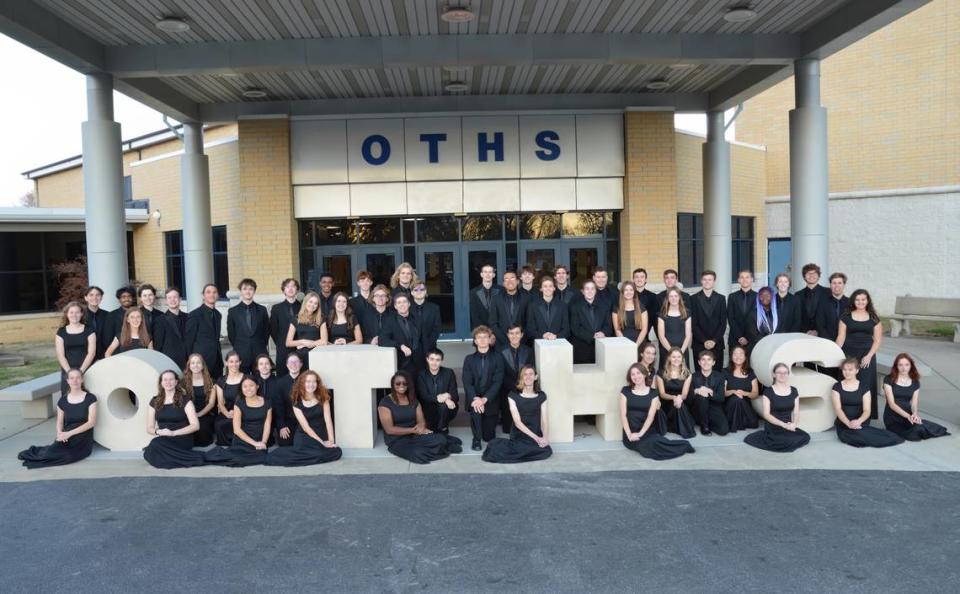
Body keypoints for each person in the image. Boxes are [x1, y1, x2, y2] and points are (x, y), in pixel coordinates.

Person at [18, 369, 97, 468]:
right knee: (49, 454)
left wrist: (69, 433)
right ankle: (38, 451)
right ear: (67, 381)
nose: (75, 381)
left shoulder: (90, 398)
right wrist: (60, 433)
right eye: (72, 378)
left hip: (83, 437)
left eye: (78, 378)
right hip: (66, 436)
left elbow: (91, 423)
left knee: (69, 457)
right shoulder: (62, 401)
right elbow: (59, 422)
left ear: (82, 380)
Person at [378, 371, 459, 464]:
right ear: (393, 385)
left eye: (405, 383)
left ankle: (440, 445)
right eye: (398, 383)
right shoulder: (385, 402)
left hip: (415, 435)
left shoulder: (413, 400)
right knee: (418, 453)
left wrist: (421, 427)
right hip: (396, 440)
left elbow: (421, 421)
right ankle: (441, 449)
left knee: (441, 440)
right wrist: (413, 430)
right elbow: (389, 430)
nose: (402, 386)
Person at [266, 371, 342, 466]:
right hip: (305, 435)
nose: (311, 384)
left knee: (337, 452)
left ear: (317, 383)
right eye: (308, 381)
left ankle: (305, 458)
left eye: (314, 381)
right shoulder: (296, 402)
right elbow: (306, 428)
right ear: (302, 383)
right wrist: (322, 443)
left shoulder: (323, 398)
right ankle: (278, 455)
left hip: (321, 432)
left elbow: (328, 420)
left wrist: (331, 441)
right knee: (320, 453)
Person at [620, 364, 694, 460]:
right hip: (630, 432)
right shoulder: (625, 391)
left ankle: (683, 446)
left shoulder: (653, 393)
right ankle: (681, 447)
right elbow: (623, 415)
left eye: (638, 373)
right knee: (645, 449)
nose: (636, 376)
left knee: (656, 443)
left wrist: (640, 434)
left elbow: (651, 417)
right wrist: (629, 434)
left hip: (647, 430)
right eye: (632, 374)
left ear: (644, 375)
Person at [483, 365, 552, 463]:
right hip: (520, 433)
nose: (528, 377)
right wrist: (537, 439)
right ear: (521, 378)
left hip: (535, 431)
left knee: (546, 451)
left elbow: (545, 420)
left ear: (535, 377)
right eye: (525, 374)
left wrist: (544, 437)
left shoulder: (541, 396)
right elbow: (517, 422)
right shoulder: (513, 395)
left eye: (531, 374)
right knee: (527, 450)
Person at [832, 358, 903, 448]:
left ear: (857, 370)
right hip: (844, 423)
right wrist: (848, 423)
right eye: (844, 370)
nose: (847, 372)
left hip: (861, 421)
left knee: (860, 434)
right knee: (846, 436)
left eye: (850, 370)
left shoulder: (864, 387)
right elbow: (838, 409)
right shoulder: (837, 387)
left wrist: (858, 421)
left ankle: (886, 437)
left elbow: (867, 410)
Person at [142, 370, 206, 469]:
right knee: (152, 449)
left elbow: (195, 426)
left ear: (176, 382)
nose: (168, 382)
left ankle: (169, 459)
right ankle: (173, 458)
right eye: (165, 380)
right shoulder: (154, 401)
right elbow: (149, 428)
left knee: (154, 446)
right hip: (164, 437)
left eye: (171, 379)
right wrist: (159, 431)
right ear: (161, 383)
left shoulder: (185, 400)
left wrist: (173, 433)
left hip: (182, 437)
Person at [204, 375, 273, 467]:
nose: (248, 389)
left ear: (257, 386)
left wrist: (263, 442)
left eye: (251, 385)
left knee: (262, 457)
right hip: (243, 440)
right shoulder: (239, 403)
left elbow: (267, 424)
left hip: (259, 438)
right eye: (245, 386)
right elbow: (236, 429)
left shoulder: (267, 402)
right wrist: (255, 443)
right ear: (242, 389)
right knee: (238, 460)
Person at [836, 289, 882, 418]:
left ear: (867, 301)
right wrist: (837, 355)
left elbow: (878, 340)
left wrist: (869, 356)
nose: (860, 302)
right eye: (857, 299)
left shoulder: (874, 318)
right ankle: (845, 415)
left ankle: (866, 416)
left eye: (863, 299)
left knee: (866, 384)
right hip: (848, 354)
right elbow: (841, 337)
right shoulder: (845, 317)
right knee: (847, 383)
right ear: (853, 301)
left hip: (867, 355)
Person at [883, 353, 950, 441]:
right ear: (896, 366)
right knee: (913, 435)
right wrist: (908, 416)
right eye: (900, 365)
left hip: (908, 413)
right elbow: (892, 404)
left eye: (907, 365)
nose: (904, 368)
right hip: (892, 417)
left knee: (919, 428)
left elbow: (914, 404)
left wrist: (914, 414)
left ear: (911, 366)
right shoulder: (889, 379)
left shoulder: (915, 382)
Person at [744, 363, 810, 452]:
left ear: (788, 374)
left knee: (805, 437)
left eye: (785, 373)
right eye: (779, 372)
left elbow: (796, 412)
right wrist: (783, 425)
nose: (782, 375)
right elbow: (766, 414)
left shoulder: (794, 390)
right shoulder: (768, 391)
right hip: (774, 427)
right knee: (785, 442)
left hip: (788, 425)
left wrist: (794, 424)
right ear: (774, 374)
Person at [463, 325, 505, 450]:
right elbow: (467, 382)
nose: (482, 340)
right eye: (479, 337)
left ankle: (482, 432)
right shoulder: (469, 359)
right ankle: (476, 439)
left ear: (490, 339)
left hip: (490, 401)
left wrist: (484, 399)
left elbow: (498, 382)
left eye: (485, 337)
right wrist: (476, 399)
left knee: (488, 437)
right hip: (475, 399)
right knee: (476, 409)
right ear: (475, 341)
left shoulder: (498, 357)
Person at [226, 278, 270, 373]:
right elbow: (231, 334)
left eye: (250, 289)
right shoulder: (233, 311)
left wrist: (260, 345)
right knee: (242, 383)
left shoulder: (262, 310)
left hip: (259, 352)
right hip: (241, 353)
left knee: (260, 382)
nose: (248, 291)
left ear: (254, 291)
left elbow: (266, 331)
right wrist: (240, 346)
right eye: (245, 289)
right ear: (240, 291)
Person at [55, 301, 96, 396]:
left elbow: (91, 353)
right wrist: (70, 374)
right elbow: (60, 355)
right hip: (67, 370)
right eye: (71, 312)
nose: (74, 315)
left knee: (87, 397)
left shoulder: (89, 330)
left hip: (86, 369)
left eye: (77, 312)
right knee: (68, 398)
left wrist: (81, 372)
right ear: (67, 314)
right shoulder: (61, 332)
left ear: (82, 314)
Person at [415, 349, 460, 434]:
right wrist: (445, 397)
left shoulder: (449, 373)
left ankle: (443, 428)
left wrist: (448, 396)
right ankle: (436, 427)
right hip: (428, 409)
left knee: (443, 407)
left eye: (437, 360)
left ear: (441, 361)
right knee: (431, 432)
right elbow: (423, 395)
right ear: (427, 359)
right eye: (431, 359)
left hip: (445, 409)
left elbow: (455, 395)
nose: (434, 363)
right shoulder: (421, 374)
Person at [498, 324, 533, 434]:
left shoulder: (529, 351)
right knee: (508, 430)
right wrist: (513, 386)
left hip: (524, 388)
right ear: (507, 335)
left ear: (522, 335)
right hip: (506, 390)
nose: (514, 336)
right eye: (511, 333)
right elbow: (500, 373)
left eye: (517, 333)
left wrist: (522, 385)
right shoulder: (500, 351)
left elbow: (530, 371)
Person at [656, 347, 696, 438]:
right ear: (669, 358)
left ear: (682, 358)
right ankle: (680, 428)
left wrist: (679, 398)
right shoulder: (661, 373)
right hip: (666, 401)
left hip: (681, 401)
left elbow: (685, 394)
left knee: (679, 405)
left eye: (679, 357)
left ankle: (677, 427)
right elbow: (662, 394)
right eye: (673, 357)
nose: (676, 359)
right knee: (678, 405)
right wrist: (674, 397)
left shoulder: (687, 374)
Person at [186, 283, 224, 378]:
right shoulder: (194, 315)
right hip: (201, 361)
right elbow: (189, 341)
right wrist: (192, 360)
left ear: (218, 295)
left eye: (214, 292)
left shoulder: (218, 315)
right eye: (208, 292)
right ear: (203, 295)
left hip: (217, 360)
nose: (212, 295)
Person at [569, 280, 613, 364]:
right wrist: (592, 336)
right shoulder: (575, 307)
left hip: (601, 347)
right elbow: (575, 328)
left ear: (596, 291)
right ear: (582, 291)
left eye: (592, 289)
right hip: (581, 349)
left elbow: (608, 326)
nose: (590, 291)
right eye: (587, 289)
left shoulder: (604, 306)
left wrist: (603, 333)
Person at [690, 269, 727, 365]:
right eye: (705, 279)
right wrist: (704, 341)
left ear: (714, 281)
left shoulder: (721, 299)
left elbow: (723, 323)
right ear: (701, 281)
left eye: (710, 279)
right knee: (699, 375)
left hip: (717, 343)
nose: (707, 282)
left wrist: (714, 341)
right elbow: (693, 323)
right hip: (699, 343)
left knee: (717, 373)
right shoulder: (693, 299)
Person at [690, 350, 730, 436]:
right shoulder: (693, 376)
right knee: (702, 396)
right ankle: (704, 426)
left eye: (709, 359)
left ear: (713, 362)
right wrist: (696, 391)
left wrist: (710, 391)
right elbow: (689, 398)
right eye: (703, 359)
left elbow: (721, 398)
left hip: (713, 407)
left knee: (724, 430)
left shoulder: (720, 377)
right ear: (699, 362)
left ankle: (705, 422)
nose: (706, 362)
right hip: (698, 408)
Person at [381, 293, 422, 374]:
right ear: (395, 306)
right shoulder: (390, 321)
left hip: (419, 362)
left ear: (409, 304)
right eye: (399, 303)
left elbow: (423, 339)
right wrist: (400, 346)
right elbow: (382, 339)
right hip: (402, 363)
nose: (402, 305)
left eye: (404, 302)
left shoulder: (417, 319)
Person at [181, 354, 217, 447]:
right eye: (192, 363)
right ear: (189, 365)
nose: (195, 365)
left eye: (198, 363)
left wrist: (198, 414)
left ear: (202, 365)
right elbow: (183, 401)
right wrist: (192, 415)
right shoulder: (184, 382)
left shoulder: (210, 381)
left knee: (203, 430)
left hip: (205, 413)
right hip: (189, 413)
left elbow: (211, 404)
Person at [723, 345, 760, 432]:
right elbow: (723, 393)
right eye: (735, 354)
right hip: (729, 406)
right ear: (731, 357)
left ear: (745, 357)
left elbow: (755, 394)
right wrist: (733, 391)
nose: (738, 356)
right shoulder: (725, 372)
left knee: (754, 423)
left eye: (741, 354)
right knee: (736, 399)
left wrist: (745, 393)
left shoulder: (751, 373)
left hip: (745, 406)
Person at [269, 353, 303, 447]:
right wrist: (282, 426)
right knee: (285, 443)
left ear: (301, 364)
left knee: (303, 443)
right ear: (287, 365)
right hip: (289, 420)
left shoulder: (306, 380)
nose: (294, 365)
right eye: (291, 362)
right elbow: (279, 407)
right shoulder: (280, 383)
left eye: (296, 362)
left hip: (304, 419)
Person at [269, 278, 301, 377]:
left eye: (293, 286)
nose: (290, 289)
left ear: (297, 289)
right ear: (283, 290)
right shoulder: (276, 308)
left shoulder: (303, 307)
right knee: (282, 375)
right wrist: (280, 343)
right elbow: (273, 329)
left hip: (300, 347)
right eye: (287, 287)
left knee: (300, 376)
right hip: (283, 348)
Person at [489, 270, 529, 347]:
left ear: (518, 281)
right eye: (506, 279)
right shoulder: (496, 299)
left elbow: (529, 322)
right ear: (503, 283)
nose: (509, 281)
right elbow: (493, 323)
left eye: (512, 278)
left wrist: (520, 339)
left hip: (522, 343)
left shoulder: (526, 298)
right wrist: (506, 340)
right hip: (502, 343)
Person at [153, 287, 189, 370]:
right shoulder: (160, 320)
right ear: (166, 301)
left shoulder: (188, 317)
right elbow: (158, 345)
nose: (173, 300)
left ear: (180, 299)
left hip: (188, 362)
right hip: (170, 362)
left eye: (175, 297)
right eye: (169, 297)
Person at [286, 290, 324, 366]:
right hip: (301, 356)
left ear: (318, 306)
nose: (312, 305)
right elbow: (288, 343)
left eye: (315, 303)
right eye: (310, 302)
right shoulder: (296, 319)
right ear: (305, 302)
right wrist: (303, 341)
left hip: (317, 355)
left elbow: (324, 341)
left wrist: (311, 344)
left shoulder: (321, 318)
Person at [213, 351, 244, 445]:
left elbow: (249, 399)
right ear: (226, 363)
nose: (234, 364)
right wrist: (227, 414)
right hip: (227, 411)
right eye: (231, 361)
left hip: (244, 411)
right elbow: (221, 403)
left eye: (236, 361)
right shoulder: (221, 380)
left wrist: (237, 412)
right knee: (219, 424)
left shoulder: (246, 378)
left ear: (240, 362)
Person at [657, 287, 692, 369]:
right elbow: (661, 336)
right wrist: (671, 352)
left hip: (682, 350)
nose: (673, 298)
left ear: (679, 297)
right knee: (666, 376)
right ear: (667, 298)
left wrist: (680, 352)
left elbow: (688, 335)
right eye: (671, 296)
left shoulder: (687, 313)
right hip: (666, 350)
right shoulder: (662, 314)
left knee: (683, 375)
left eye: (676, 296)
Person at [525, 275, 569, 340]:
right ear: (541, 289)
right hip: (539, 343)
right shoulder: (533, 306)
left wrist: (556, 336)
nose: (548, 288)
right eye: (545, 286)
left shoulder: (562, 306)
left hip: (558, 343)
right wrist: (542, 335)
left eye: (550, 286)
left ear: (554, 288)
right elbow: (530, 329)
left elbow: (566, 329)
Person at [612, 281, 649, 353]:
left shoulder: (642, 308)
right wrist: (626, 345)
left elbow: (644, 330)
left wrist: (636, 345)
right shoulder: (616, 309)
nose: (629, 292)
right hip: (622, 344)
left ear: (634, 292)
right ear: (622, 292)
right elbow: (617, 330)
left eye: (631, 290)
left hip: (639, 344)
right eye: (626, 290)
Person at [726, 270, 756, 353]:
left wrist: (747, 337)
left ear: (752, 279)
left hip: (752, 339)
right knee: (734, 365)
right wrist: (739, 336)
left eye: (747, 277)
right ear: (738, 280)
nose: (744, 279)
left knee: (751, 365)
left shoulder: (758, 297)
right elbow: (731, 318)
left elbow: (757, 319)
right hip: (735, 339)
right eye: (742, 277)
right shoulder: (732, 297)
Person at [796, 263, 830, 336]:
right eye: (808, 273)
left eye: (814, 273)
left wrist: (819, 331)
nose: (811, 276)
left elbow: (830, 315)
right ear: (804, 277)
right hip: (804, 334)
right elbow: (797, 317)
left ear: (818, 276)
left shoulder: (828, 292)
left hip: (824, 334)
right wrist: (805, 331)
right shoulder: (798, 295)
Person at [744, 287, 777, 356]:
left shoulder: (777, 314)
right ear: (759, 298)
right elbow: (752, 335)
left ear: (772, 297)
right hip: (758, 348)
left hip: (775, 348)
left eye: (768, 295)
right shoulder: (753, 314)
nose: (765, 297)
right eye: (762, 295)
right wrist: (767, 342)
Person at [816, 272, 849, 341]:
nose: (837, 286)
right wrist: (829, 341)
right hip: (827, 342)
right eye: (834, 283)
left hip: (847, 342)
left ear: (844, 285)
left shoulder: (850, 303)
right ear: (830, 285)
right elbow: (820, 325)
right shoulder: (822, 302)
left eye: (839, 283)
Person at [410, 281, 441, 354]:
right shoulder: (406, 308)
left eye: (422, 289)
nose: (419, 292)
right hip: (411, 348)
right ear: (412, 292)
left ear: (425, 291)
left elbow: (437, 328)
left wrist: (428, 344)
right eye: (416, 290)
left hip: (430, 347)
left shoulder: (434, 308)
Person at [83, 285, 110, 360]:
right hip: (84, 356)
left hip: (103, 355)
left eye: (97, 295)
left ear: (101, 298)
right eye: (91, 295)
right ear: (86, 298)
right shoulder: (80, 315)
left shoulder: (108, 315)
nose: (94, 298)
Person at [469, 264, 500, 329]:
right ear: (481, 274)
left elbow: (503, 313)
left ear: (494, 275)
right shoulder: (473, 292)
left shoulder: (501, 290)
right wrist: (483, 331)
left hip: (498, 331)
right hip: (480, 332)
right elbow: (474, 315)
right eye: (485, 272)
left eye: (490, 272)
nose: (487, 274)